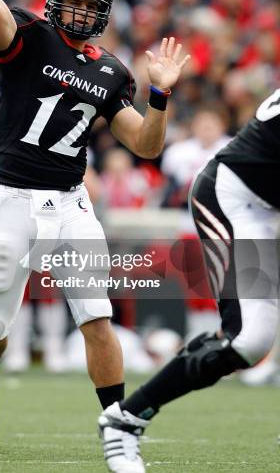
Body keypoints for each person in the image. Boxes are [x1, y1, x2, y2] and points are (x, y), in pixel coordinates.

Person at [0, 0, 190, 451]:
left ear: (102, 15)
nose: (79, 14)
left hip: (71, 203)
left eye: (89, 7)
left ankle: (119, 426)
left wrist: (160, 96)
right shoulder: (29, 36)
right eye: (72, 3)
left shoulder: (113, 71)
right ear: (55, 3)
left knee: (96, 315)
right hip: (10, 195)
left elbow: (145, 145)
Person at [98, 88, 280, 472]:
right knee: (248, 338)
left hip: (265, 204)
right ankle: (125, 420)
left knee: (254, 339)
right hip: (235, 199)